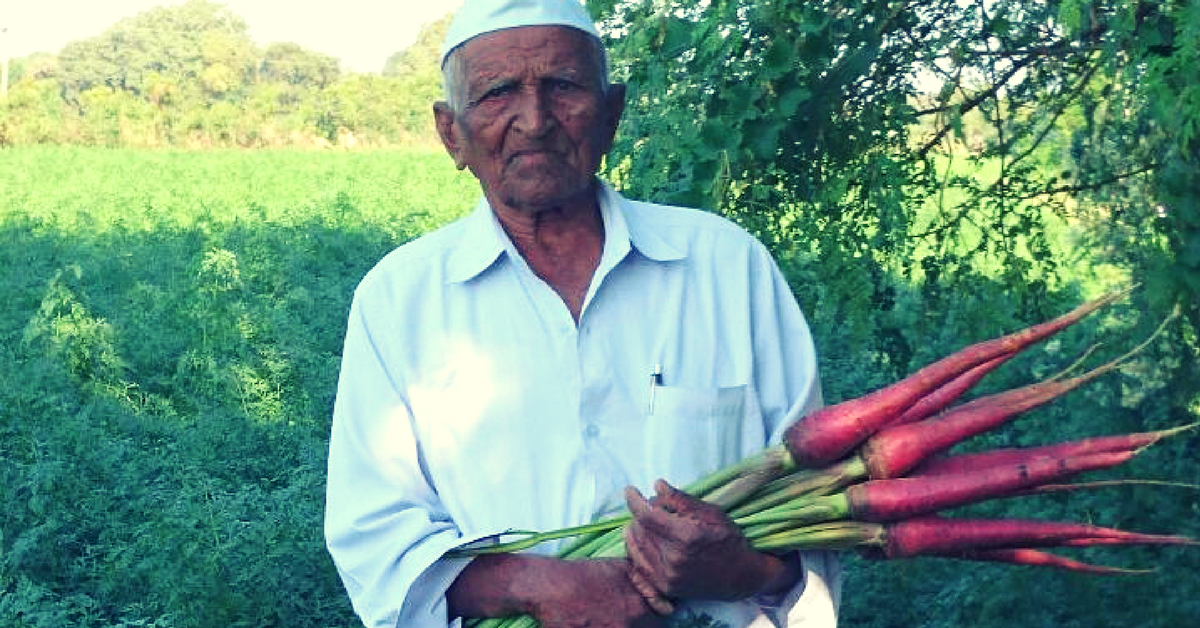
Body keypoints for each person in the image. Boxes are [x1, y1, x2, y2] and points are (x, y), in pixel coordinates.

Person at [323, 1, 841, 627]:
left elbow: (820, 507)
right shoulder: (399, 299)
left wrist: (743, 571)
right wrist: (537, 586)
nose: (534, 120)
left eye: (564, 87)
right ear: (450, 133)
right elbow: (374, 536)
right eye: (497, 93)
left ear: (612, 113)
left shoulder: (726, 266)